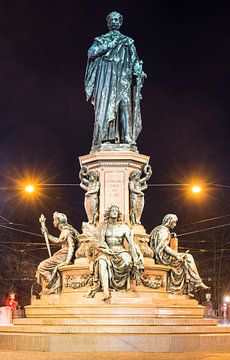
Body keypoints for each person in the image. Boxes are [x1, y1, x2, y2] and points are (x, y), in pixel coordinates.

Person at [85, 11, 146, 147]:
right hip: (106, 79)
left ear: (120, 22)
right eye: (111, 20)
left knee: (124, 104)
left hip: (123, 78)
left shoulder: (127, 41)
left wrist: (138, 70)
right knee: (107, 107)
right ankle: (104, 136)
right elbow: (91, 53)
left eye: (116, 20)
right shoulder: (101, 40)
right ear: (108, 23)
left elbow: (135, 60)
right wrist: (108, 45)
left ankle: (126, 137)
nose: (114, 22)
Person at [87, 205, 144, 300]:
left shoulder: (124, 227)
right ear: (108, 213)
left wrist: (139, 254)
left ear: (118, 214)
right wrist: (104, 250)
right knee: (102, 263)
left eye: (116, 211)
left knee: (127, 261)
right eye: (112, 210)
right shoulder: (102, 227)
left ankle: (123, 287)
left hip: (121, 251)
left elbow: (131, 243)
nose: (114, 212)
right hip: (106, 252)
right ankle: (105, 292)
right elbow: (95, 243)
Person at [150, 214, 209, 295]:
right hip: (163, 258)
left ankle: (190, 287)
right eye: (174, 222)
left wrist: (170, 235)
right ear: (169, 221)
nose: (175, 225)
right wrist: (176, 255)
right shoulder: (163, 231)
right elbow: (163, 247)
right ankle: (196, 282)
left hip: (160, 256)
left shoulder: (159, 229)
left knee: (185, 260)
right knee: (188, 257)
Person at [36, 212, 79, 295]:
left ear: (58, 221)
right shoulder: (65, 231)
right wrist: (47, 234)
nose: (53, 222)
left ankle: (52, 286)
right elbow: (58, 241)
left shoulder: (67, 231)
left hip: (64, 256)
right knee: (42, 266)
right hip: (62, 255)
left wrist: (67, 261)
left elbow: (71, 246)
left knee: (42, 266)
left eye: (54, 220)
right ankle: (52, 286)